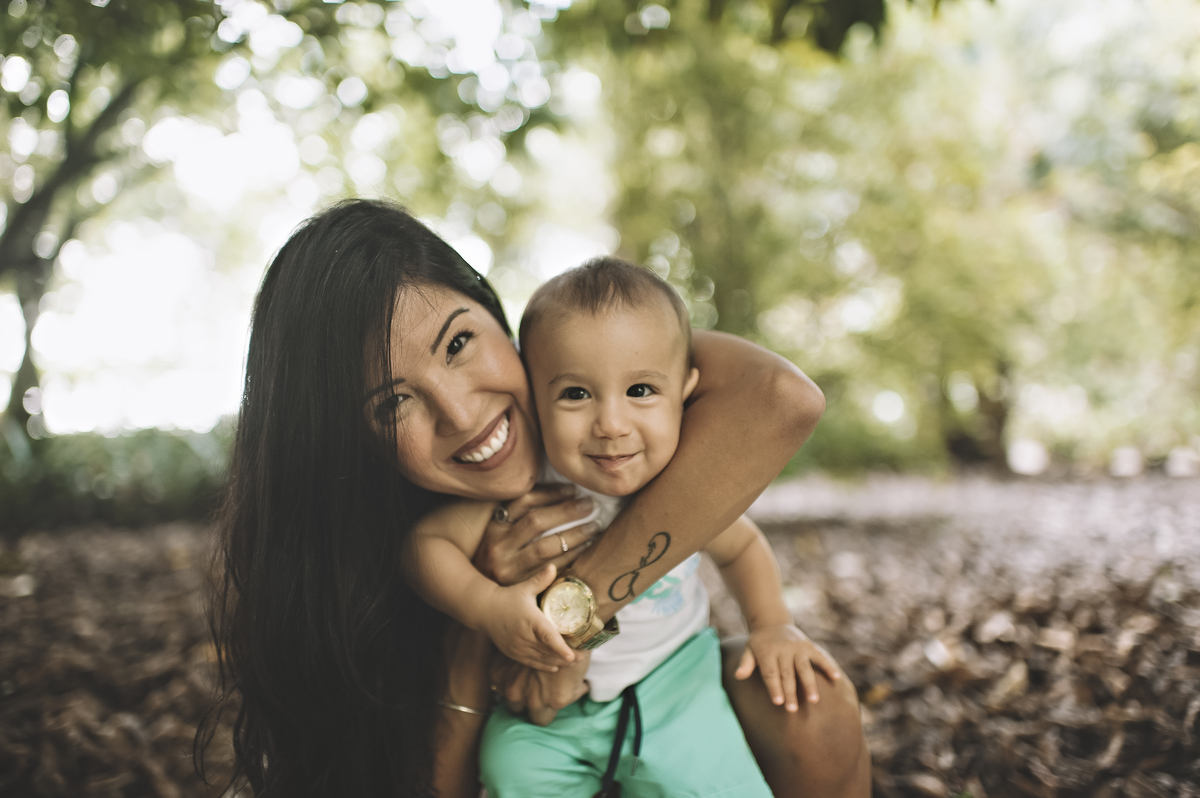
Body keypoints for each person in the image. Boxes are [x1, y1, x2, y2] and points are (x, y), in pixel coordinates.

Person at [201, 199, 869, 798]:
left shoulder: (596, 370)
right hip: (528, 742)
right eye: (394, 401)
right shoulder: (372, 570)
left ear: (500, 320)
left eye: (459, 343)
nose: (461, 414)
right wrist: (486, 628)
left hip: (665, 696)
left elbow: (782, 401)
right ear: (348, 441)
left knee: (808, 711)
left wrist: (571, 618)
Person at [408, 258, 843, 796]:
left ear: (685, 390)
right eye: (575, 394)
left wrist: (772, 623)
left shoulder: (678, 484)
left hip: (672, 689)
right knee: (509, 769)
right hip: (546, 717)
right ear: (534, 398)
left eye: (640, 391)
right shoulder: (529, 485)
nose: (611, 425)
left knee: (712, 783)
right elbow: (425, 546)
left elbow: (742, 547)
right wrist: (488, 607)